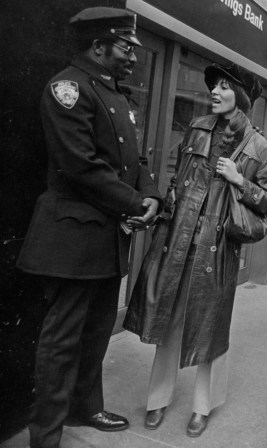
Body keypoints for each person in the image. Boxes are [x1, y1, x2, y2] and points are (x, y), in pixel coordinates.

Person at [15, 7, 162, 447]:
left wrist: (151, 194)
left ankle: (85, 407)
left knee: (97, 333)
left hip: (104, 238)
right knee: (61, 342)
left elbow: (136, 160)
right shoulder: (68, 88)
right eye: (125, 47)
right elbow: (80, 166)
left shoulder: (115, 94)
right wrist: (136, 202)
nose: (133, 57)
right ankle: (46, 435)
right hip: (72, 238)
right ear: (98, 46)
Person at [123, 63, 267, 437]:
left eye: (224, 87)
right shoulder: (196, 128)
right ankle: (157, 399)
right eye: (214, 85)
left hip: (217, 247)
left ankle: (202, 406)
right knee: (167, 321)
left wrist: (240, 180)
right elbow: (178, 180)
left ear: (240, 96)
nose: (215, 91)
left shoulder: (259, 146)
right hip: (178, 241)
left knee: (210, 329)